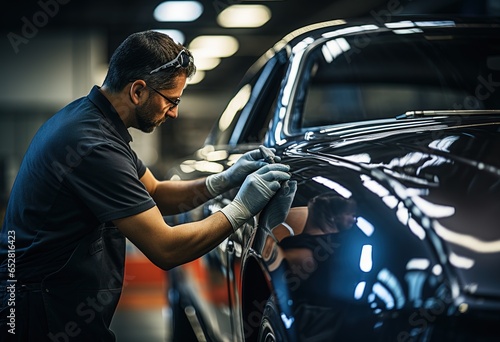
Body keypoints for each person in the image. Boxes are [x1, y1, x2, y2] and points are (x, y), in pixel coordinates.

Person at [0, 30, 291, 341]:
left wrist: (223, 180)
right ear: (138, 91)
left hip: (47, 300)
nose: (175, 112)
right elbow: (166, 248)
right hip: (38, 313)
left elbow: (154, 193)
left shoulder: (94, 121)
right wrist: (241, 209)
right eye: (171, 100)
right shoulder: (92, 145)